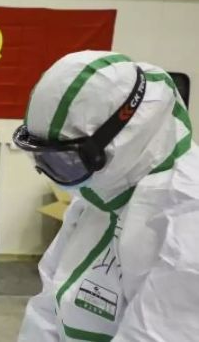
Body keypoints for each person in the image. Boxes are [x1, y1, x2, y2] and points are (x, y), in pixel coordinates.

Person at [15, 51, 199, 341]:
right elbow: (49, 302)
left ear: (123, 137)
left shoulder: (187, 218)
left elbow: (154, 334)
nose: (51, 175)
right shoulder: (102, 193)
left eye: (65, 162)